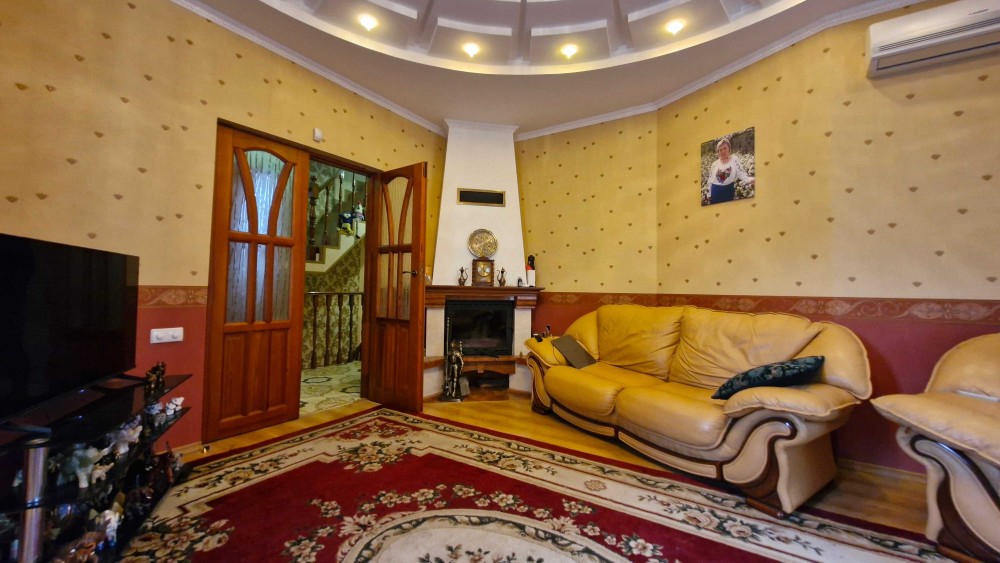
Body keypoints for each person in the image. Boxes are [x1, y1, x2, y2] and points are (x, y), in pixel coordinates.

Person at [705, 137, 754, 204]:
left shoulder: (734, 159)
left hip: (728, 190)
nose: (723, 151)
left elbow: (741, 173)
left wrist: (750, 180)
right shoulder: (714, 164)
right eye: (720, 150)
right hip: (716, 191)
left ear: (729, 149)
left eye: (725, 148)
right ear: (718, 152)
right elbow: (710, 180)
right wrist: (709, 194)